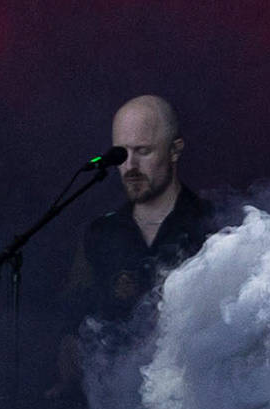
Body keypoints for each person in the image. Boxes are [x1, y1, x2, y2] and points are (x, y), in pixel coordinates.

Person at [60, 95, 219, 335]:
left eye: (143, 151)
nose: (130, 166)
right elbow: (74, 314)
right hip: (113, 358)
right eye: (121, 154)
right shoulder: (100, 233)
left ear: (175, 150)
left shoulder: (213, 225)